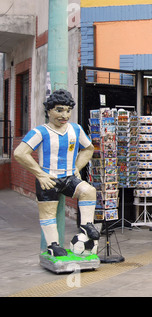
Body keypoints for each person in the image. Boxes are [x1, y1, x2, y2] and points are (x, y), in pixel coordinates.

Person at [14, 89, 99, 257]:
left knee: (89, 191)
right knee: (48, 212)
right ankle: (53, 245)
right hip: (49, 178)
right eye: (59, 110)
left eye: (68, 111)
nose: (64, 115)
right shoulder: (41, 132)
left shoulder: (75, 129)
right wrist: (40, 174)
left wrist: (76, 167)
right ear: (49, 111)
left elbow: (89, 148)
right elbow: (20, 153)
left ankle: (87, 224)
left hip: (68, 177)